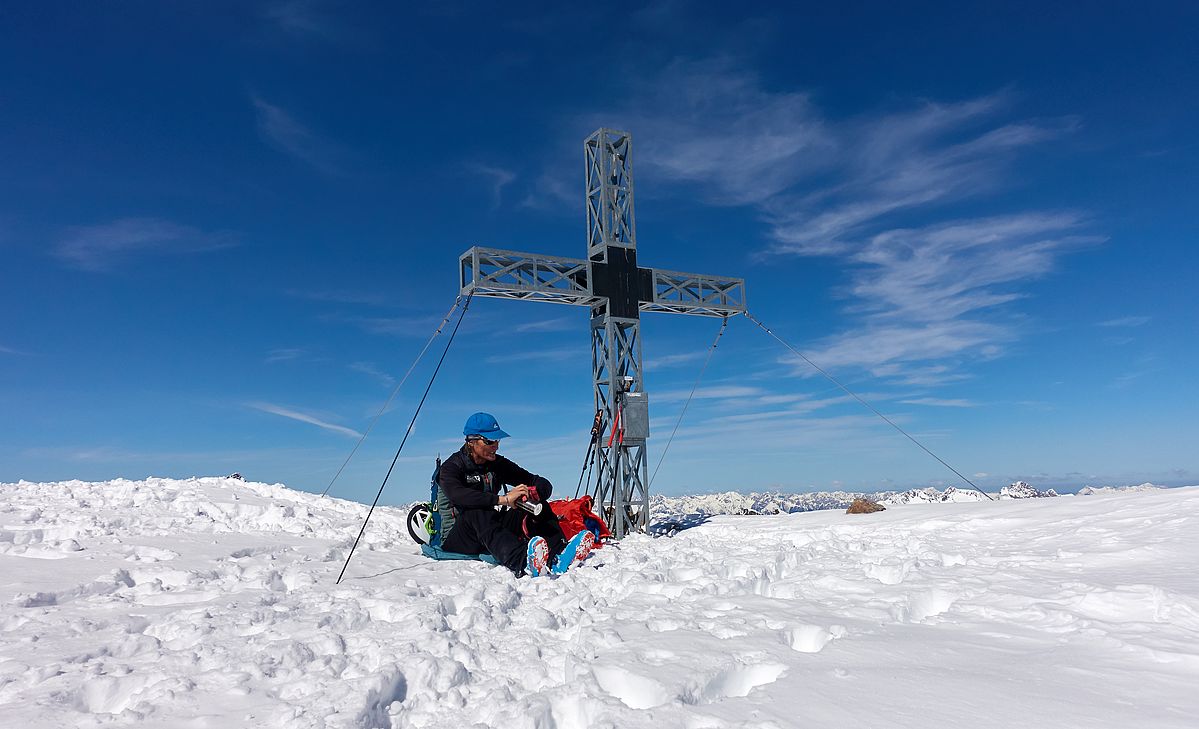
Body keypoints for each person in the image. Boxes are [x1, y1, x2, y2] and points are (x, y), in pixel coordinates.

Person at [436, 412, 594, 576]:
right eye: (490, 441)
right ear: (471, 441)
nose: (496, 446)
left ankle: (558, 554)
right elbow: (459, 495)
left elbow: (538, 481)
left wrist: (534, 493)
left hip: (488, 530)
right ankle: (523, 563)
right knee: (477, 512)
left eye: (497, 440)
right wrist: (503, 499)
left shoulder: (497, 464)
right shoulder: (452, 467)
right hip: (457, 537)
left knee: (537, 507)